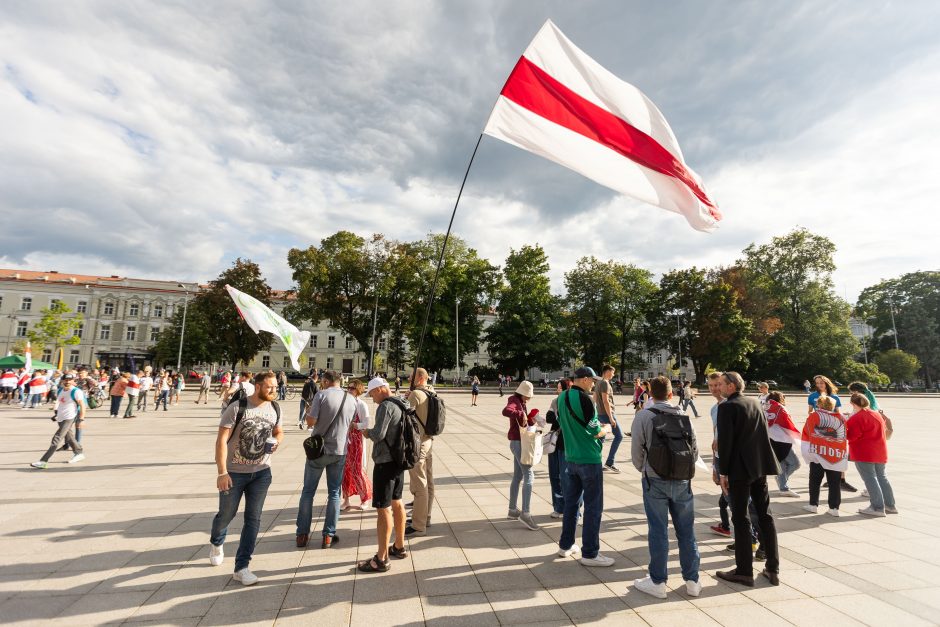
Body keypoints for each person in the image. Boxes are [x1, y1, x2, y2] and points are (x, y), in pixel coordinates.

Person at [208, 371, 283, 585]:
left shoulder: (275, 408)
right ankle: (216, 541)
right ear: (258, 387)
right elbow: (221, 441)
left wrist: (277, 441)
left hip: (261, 472)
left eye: (275, 387)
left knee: (253, 518)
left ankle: (242, 567)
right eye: (270, 387)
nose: (273, 390)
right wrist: (222, 472)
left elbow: (279, 431)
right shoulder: (237, 408)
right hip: (233, 473)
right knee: (226, 514)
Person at [631, 376, 700, 598]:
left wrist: (645, 468)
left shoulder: (644, 416)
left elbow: (636, 452)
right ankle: (692, 581)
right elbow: (695, 451)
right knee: (686, 532)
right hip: (682, 480)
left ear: (650, 394)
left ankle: (658, 581)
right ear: (672, 394)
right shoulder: (684, 415)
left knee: (658, 531)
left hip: (654, 479)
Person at [715, 371, 781, 587]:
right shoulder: (755, 403)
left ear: (732, 386)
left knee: (741, 518)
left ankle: (744, 571)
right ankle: (772, 568)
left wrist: (722, 472)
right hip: (759, 466)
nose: (720, 388)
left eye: (723, 384)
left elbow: (725, 443)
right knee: (765, 516)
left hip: (739, 470)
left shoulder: (727, 407)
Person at [556, 366, 615, 567]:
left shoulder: (562, 397)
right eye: (592, 381)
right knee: (593, 507)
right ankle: (590, 553)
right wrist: (605, 428)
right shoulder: (585, 399)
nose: (593, 385)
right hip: (589, 459)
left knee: (571, 504)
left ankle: (566, 545)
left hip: (570, 457)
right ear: (584, 379)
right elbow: (594, 430)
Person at [295, 370, 356, 549]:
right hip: (339, 450)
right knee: (334, 493)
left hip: (318, 450)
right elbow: (351, 423)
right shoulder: (351, 398)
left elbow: (311, 422)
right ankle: (328, 535)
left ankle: (302, 535)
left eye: (322, 380)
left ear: (328, 381)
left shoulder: (321, 395)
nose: (321, 383)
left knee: (308, 492)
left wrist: (308, 412)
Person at [359, 377, 407, 573]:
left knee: (383, 509)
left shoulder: (385, 406)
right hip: (399, 459)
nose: (372, 398)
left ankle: (381, 558)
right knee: (398, 502)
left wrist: (366, 432)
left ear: (379, 389)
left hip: (385, 462)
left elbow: (378, 434)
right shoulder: (403, 402)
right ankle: (399, 546)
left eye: (371, 393)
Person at [846, 393, 897, 516]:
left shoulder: (856, 418)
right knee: (882, 478)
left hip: (864, 453)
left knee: (870, 479)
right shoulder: (876, 414)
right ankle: (890, 506)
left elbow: (852, 437)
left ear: (852, 404)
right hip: (880, 451)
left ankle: (877, 508)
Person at [807, 375, 857, 493]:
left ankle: (841, 480)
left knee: (837, 454)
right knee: (821, 453)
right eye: (817, 383)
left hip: (833, 430)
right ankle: (828, 479)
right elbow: (809, 411)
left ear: (827, 383)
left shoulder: (834, 397)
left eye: (821, 383)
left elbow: (838, 414)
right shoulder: (812, 396)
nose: (819, 385)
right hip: (819, 429)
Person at [801, 395, 848, 516]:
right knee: (834, 483)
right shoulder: (842, 418)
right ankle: (834, 508)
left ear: (820, 405)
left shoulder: (814, 416)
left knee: (815, 480)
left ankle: (813, 505)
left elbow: (807, 432)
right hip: (836, 455)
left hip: (819, 454)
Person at [503, 380, 540, 531]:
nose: (529, 399)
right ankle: (525, 513)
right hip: (519, 443)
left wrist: (532, 418)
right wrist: (520, 412)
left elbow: (522, 420)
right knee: (529, 476)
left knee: (518, 476)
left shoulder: (520, 401)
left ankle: (512, 510)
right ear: (523, 393)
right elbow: (506, 411)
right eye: (528, 396)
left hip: (518, 442)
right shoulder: (514, 400)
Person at [30, 373, 85, 468]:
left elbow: (82, 405)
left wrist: (81, 419)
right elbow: (59, 402)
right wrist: (55, 413)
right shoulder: (60, 390)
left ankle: (43, 461)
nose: (67, 381)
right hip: (60, 418)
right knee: (69, 437)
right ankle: (79, 453)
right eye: (66, 380)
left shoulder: (76, 391)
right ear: (62, 380)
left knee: (57, 438)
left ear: (73, 381)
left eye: (69, 380)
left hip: (69, 417)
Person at [406, 368, 437, 536]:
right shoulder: (432, 392)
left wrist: (407, 397)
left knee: (419, 485)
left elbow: (404, 416)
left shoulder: (416, 395)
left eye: (411, 376)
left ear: (419, 378)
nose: (409, 378)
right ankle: (426, 517)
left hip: (417, 443)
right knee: (429, 482)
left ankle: (418, 525)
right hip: (429, 441)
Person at [546, 378, 581, 519]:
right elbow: (549, 418)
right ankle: (558, 507)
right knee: (555, 477)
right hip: (555, 443)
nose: (558, 390)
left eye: (561, 388)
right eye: (558, 388)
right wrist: (560, 416)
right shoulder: (555, 401)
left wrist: (559, 415)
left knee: (568, 478)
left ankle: (574, 509)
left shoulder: (574, 402)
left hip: (569, 445)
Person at [341, 379, 372, 511]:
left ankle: (365, 498)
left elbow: (366, 423)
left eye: (352, 388)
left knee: (358, 470)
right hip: (344, 441)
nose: (349, 390)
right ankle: (346, 499)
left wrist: (355, 425)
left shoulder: (361, 405)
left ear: (358, 390)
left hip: (357, 441)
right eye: (348, 388)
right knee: (345, 471)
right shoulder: (345, 403)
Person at [765, 392, 802, 498]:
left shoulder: (764, 407)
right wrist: (797, 435)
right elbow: (788, 423)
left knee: (787, 464)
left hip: (771, 440)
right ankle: (783, 487)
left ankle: (782, 481)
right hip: (782, 440)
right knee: (793, 463)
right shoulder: (780, 408)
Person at [595, 365, 622, 473]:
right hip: (606, 414)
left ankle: (597, 462)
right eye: (612, 372)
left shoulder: (598, 382)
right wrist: (611, 418)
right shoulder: (605, 383)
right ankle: (610, 462)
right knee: (619, 436)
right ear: (607, 372)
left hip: (600, 414)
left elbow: (595, 398)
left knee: (600, 439)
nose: (613, 374)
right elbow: (606, 401)